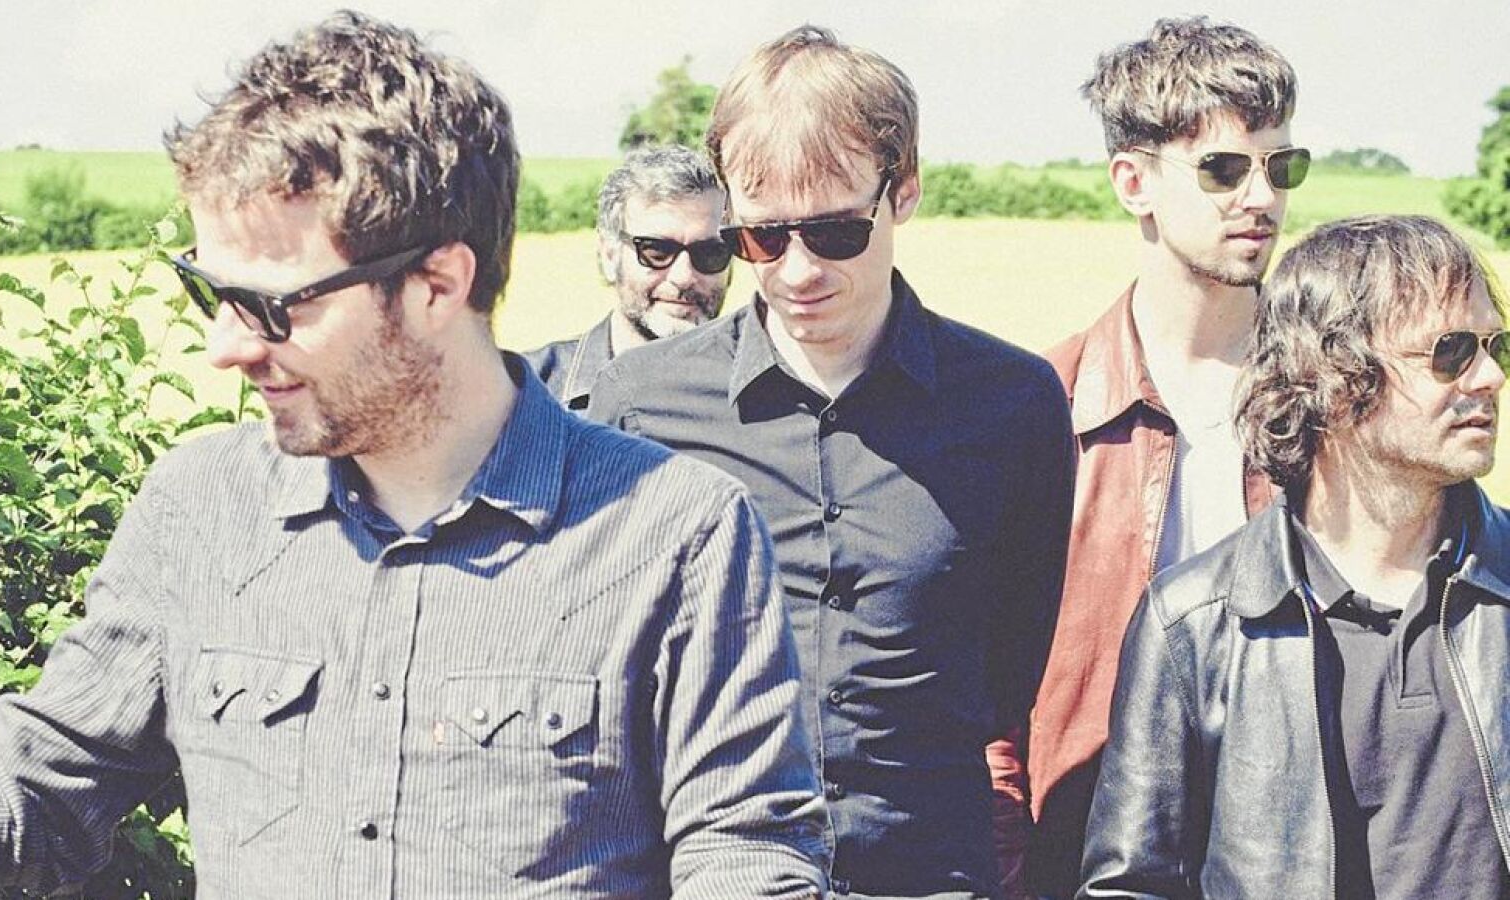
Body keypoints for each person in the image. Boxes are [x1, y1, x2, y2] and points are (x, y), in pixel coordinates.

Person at [0, 13, 829, 898]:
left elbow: (745, 858)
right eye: (210, 291)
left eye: (271, 306)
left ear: (436, 285)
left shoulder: (675, 534)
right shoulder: (200, 507)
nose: (225, 348)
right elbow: (27, 785)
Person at [589, 25, 1075, 899]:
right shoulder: (642, 404)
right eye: (762, 239)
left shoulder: (1012, 404)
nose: (798, 271)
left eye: (836, 232)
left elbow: (1009, 668)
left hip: (932, 870)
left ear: (905, 191)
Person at [1082, 215, 1510, 899]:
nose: (1489, 377)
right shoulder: (1195, 623)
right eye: (1451, 351)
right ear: (1333, 379)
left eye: (1496, 346)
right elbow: (1134, 886)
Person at [1021, 18, 1304, 895]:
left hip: (1297, 850)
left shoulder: (1331, 398)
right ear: (1133, 182)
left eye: (1282, 167)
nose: (1261, 197)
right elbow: (983, 689)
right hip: (1085, 851)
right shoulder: (1042, 403)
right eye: (1223, 169)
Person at [524, 145, 731, 411]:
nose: (684, 277)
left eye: (710, 253)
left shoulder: (764, 399)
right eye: (657, 252)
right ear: (609, 256)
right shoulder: (526, 395)